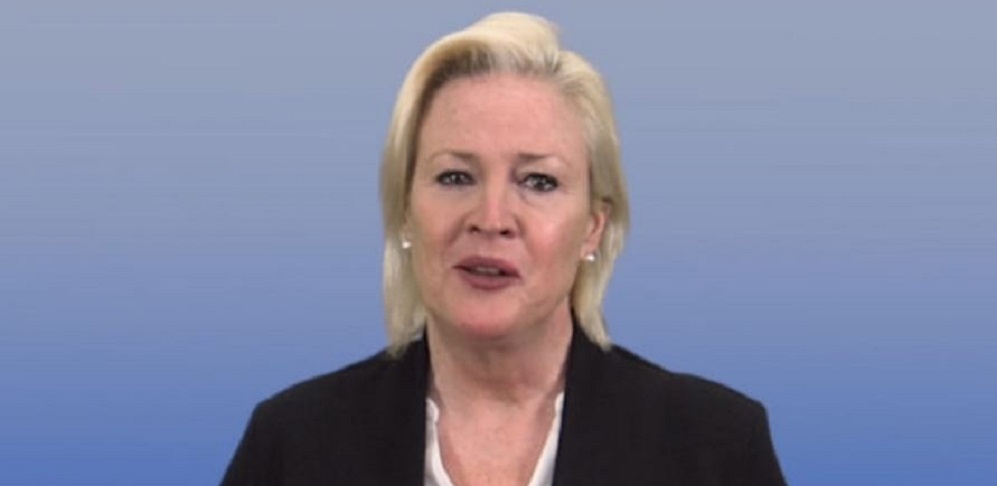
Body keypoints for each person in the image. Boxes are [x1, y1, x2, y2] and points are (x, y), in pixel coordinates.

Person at [221, 11, 786, 486]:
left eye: (538, 182)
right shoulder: (292, 445)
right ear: (405, 212)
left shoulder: (715, 448)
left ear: (593, 227)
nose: (491, 220)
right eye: (455, 177)